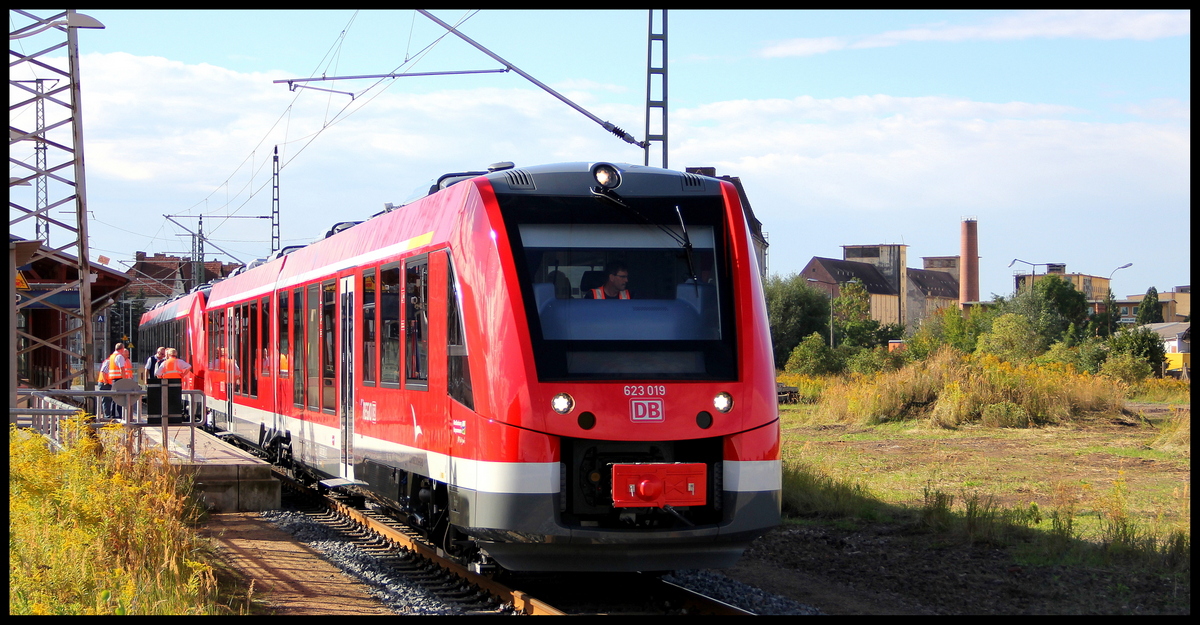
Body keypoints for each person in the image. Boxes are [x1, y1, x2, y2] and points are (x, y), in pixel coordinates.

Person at [99, 342, 133, 419]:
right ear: (122, 349)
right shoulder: (119, 357)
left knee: (115, 399)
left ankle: (113, 415)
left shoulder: (112, 357)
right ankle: (117, 416)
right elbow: (121, 369)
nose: (127, 355)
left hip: (113, 380)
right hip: (116, 380)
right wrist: (124, 380)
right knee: (117, 399)